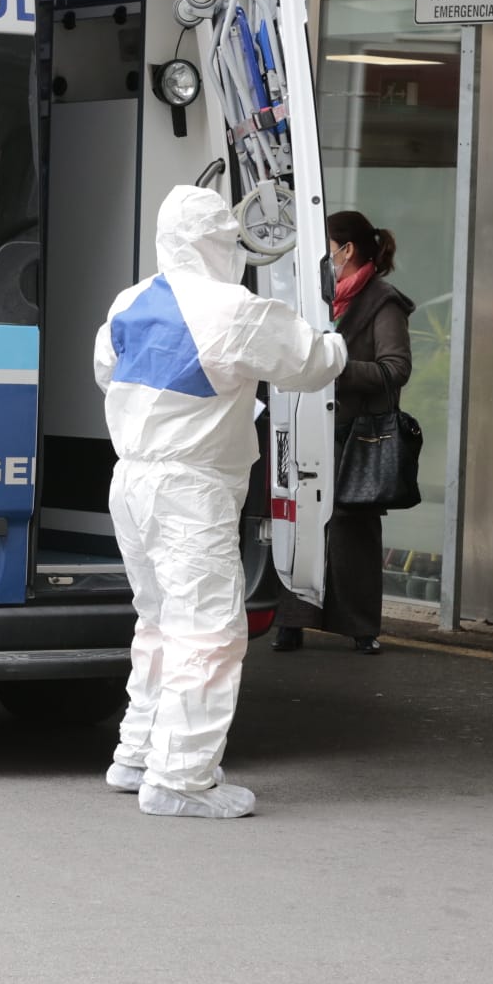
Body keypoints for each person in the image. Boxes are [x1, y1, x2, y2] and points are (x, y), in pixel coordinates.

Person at [93, 184, 347, 819]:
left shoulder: (130, 301)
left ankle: (138, 755)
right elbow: (311, 364)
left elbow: (107, 370)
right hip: (191, 490)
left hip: (133, 481)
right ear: (219, 242)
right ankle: (181, 779)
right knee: (208, 631)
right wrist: (336, 331)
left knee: (158, 622)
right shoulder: (233, 309)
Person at [271, 210, 414, 655]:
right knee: (295, 524)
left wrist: (337, 368)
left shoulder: (382, 301)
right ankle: (290, 621)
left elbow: (396, 369)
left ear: (346, 250)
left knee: (353, 531)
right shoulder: (315, 296)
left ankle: (360, 626)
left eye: (325, 248)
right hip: (303, 425)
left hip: (354, 435)